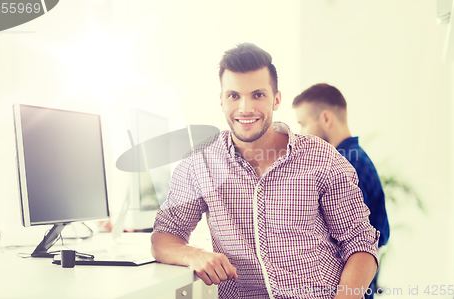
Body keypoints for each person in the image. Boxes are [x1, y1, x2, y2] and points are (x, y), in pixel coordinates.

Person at [151, 43, 379, 299]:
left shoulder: (322, 157)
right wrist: (194, 255)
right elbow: (163, 238)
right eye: (234, 96)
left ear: (276, 99)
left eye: (257, 94)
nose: (245, 108)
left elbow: (361, 244)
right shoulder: (199, 163)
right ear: (222, 100)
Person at [292, 83, 390, 298]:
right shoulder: (356, 157)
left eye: (303, 124)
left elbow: (356, 240)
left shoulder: (343, 165)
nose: (300, 134)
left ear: (326, 119)